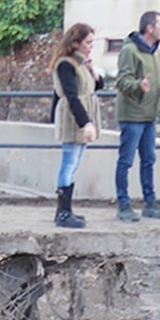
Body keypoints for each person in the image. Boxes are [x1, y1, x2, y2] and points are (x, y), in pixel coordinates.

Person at [113, 10, 160, 222]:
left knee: (148, 160)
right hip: (132, 115)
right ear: (149, 28)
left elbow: (155, 78)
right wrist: (138, 86)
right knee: (126, 161)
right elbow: (122, 82)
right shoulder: (130, 51)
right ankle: (123, 204)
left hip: (148, 116)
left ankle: (149, 203)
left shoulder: (155, 52)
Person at [49, 22, 102, 229]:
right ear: (76, 43)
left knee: (74, 163)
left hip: (79, 116)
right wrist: (86, 122)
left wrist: (92, 70)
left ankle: (66, 210)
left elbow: (96, 85)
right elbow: (71, 96)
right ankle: (63, 212)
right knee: (68, 164)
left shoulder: (80, 64)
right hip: (73, 119)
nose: (91, 46)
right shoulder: (65, 65)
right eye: (88, 42)